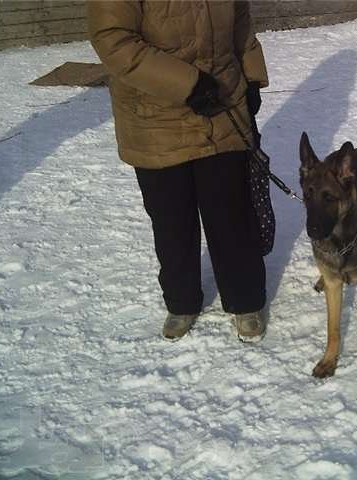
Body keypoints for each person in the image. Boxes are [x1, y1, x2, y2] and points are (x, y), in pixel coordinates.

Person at [87, 1, 269, 342]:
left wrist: (251, 76)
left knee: (232, 213)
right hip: (155, 116)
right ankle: (182, 302)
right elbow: (113, 38)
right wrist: (186, 83)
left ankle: (245, 300)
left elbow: (240, 19)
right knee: (172, 221)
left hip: (222, 104)